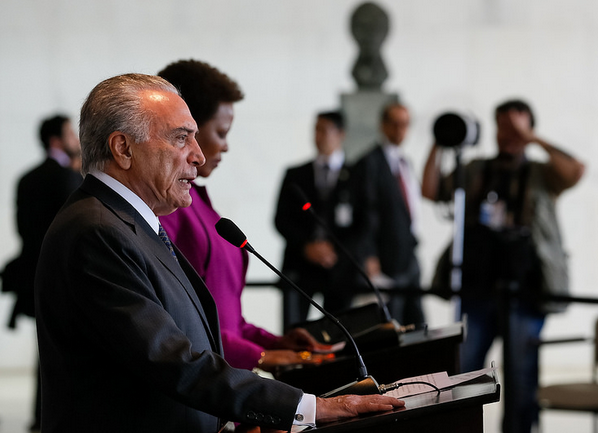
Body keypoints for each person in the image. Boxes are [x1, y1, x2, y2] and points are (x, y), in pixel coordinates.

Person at [34, 73, 403, 433]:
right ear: (123, 148)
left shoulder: (131, 221)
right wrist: (309, 408)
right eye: (181, 139)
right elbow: (172, 361)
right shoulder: (97, 231)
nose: (197, 155)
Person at [422, 99, 585, 433]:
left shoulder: (542, 172)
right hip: (478, 288)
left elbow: (576, 170)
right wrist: (441, 141)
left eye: (516, 127)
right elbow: (431, 190)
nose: (508, 135)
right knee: (464, 373)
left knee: (520, 378)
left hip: (526, 292)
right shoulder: (477, 169)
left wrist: (532, 138)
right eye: (502, 127)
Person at [158, 59, 326, 372]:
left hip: (227, 385)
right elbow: (180, 322)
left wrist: (273, 343)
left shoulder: (199, 205)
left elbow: (228, 322)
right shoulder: (167, 209)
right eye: (221, 133)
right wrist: (259, 357)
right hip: (204, 387)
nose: (225, 146)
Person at [1, 114, 82, 432]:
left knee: (48, 350)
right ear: (56, 141)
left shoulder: (28, 177)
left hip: (35, 275)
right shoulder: (66, 179)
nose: (77, 139)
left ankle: (42, 417)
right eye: (70, 134)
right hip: (63, 279)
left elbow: (25, 231)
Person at [275, 111, 360, 329]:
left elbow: (365, 223)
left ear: (340, 134)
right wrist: (307, 246)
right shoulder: (295, 174)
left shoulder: (357, 176)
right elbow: (281, 219)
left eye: (325, 130)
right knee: (294, 331)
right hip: (300, 265)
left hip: (339, 268)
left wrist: (335, 251)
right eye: (316, 130)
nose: (318, 136)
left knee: (340, 334)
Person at [354, 102, 425, 327]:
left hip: (409, 253)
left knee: (417, 320)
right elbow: (366, 212)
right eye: (394, 124)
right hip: (385, 256)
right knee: (391, 321)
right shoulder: (369, 163)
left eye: (404, 124)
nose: (399, 130)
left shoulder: (405, 163)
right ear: (383, 125)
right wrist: (369, 255)